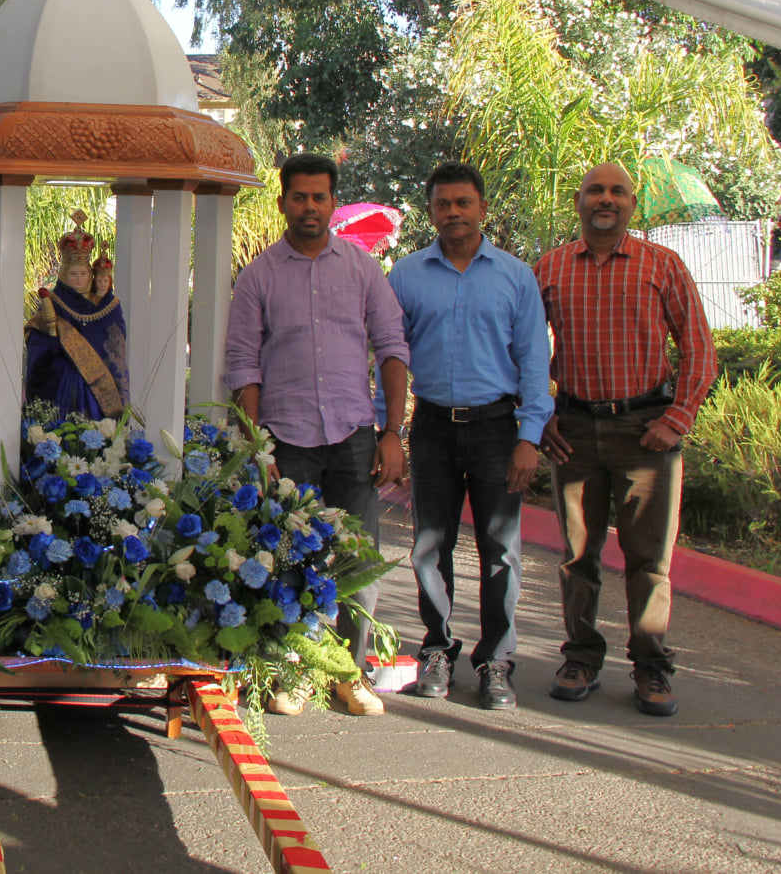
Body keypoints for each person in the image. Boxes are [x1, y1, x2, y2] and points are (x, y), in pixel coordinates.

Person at [224, 152, 410, 717]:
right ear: (283, 203)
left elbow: (392, 349)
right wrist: (258, 445)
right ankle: (297, 670)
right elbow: (242, 363)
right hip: (289, 440)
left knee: (358, 558)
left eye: (319, 197)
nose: (310, 206)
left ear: (332, 202)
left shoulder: (361, 269)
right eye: (299, 197)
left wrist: (393, 433)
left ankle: (350, 672)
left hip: (354, 435)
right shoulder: (258, 276)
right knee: (288, 558)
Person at [535, 162, 715, 718]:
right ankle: (582, 657)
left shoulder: (663, 265)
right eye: (596, 191)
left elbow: (700, 351)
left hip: (647, 434)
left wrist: (676, 419)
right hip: (575, 432)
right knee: (577, 557)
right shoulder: (551, 268)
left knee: (649, 560)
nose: (605, 199)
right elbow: (520, 351)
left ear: (632, 204)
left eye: (617, 191)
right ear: (578, 201)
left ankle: (652, 665)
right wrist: (539, 415)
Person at [383, 163, 553, 710]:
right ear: (430, 211)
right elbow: (390, 356)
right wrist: (391, 429)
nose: (453, 213)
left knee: (500, 551)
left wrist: (530, 435)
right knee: (430, 546)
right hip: (433, 425)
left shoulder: (514, 276)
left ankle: (496, 662)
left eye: (463, 203)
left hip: (498, 430)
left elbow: (533, 359)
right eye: (442, 204)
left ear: (482, 207)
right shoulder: (405, 276)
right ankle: (437, 649)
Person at [24, 210, 127, 419]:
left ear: (91, 274)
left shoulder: (108, 305)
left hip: (101, 384)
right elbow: (37, 341)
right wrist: (56, 345)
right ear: (63, 274)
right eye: (73, 274)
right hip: (63, 381)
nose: (78, 279)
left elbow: (117, 344)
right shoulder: (53, 302)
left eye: (82, 273)